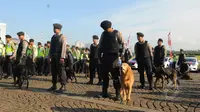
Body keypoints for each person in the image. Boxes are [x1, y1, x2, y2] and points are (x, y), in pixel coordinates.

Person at [98, 20, 125, 100]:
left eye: (106, 29)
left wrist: (122, 55)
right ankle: (104, 92)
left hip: (115, 57)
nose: (105, 30)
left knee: (116, 76)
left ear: (110, 27)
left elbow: (123, 44)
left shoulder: (117, 33)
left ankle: (118, 93)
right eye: (104, 29)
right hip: (105, 57)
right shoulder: (103, 34)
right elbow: (100, 45)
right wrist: (99, 56)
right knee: (105, 76)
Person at [48, 23, 67, 93]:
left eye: (55, 28)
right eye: (53, 28)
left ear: (59, 29)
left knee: (61, 71)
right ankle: (54, 85)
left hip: (59, 56)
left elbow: (64, 48)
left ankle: (63, 86)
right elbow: (51, 48)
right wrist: (49, 56)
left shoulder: (62, 37)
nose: (53, 29)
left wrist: (62, 57)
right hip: (53, 56)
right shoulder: (53, 37)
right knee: (54, 71)